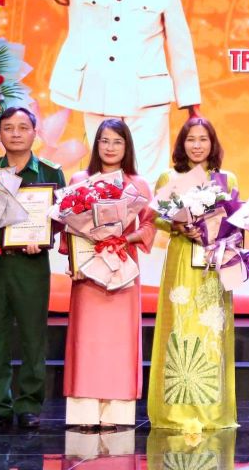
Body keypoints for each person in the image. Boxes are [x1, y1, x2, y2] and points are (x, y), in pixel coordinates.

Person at [4, 0, 201, 183]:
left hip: (148, 104)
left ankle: (146, 215)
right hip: (98, 96)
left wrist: (192, 106)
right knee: (103, 180)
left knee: (147, 179)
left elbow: (181, 48)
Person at [0, 107, 67, 429]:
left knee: (32, 337)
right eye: (8, 127)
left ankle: (28, 405)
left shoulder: (50, 173)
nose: (15, 133)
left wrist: (43, 238)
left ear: (34, 133)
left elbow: (60, 220)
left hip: (31, 265)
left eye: (23, 127)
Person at [61, 119, 156, 431]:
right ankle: (84, 413)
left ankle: (117, 412)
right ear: (96, 144)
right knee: (87, 340)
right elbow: (68, 227)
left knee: (119, 341)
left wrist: (124, 239)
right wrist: (74, 260)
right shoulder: (80, 180)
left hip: (122, 269)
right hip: (88, 272)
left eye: (117, 141)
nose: (110, 147)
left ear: (127, 146)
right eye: (105, 140)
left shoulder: (138, 184)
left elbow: (149, 224)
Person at [148, 118, 238, 431]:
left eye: (203, 139)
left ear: (212, 144)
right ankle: (177, 409)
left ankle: (211, 410)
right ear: (182, 144)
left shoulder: (226, 179)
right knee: (181, 325)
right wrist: (178, 226)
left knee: (211, 328)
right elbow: (156, 217)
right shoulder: (169, 177)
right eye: (191, 139)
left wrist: (214, 233)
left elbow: (236, 223)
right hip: (182, 259)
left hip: (213, 263)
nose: (197, 145)